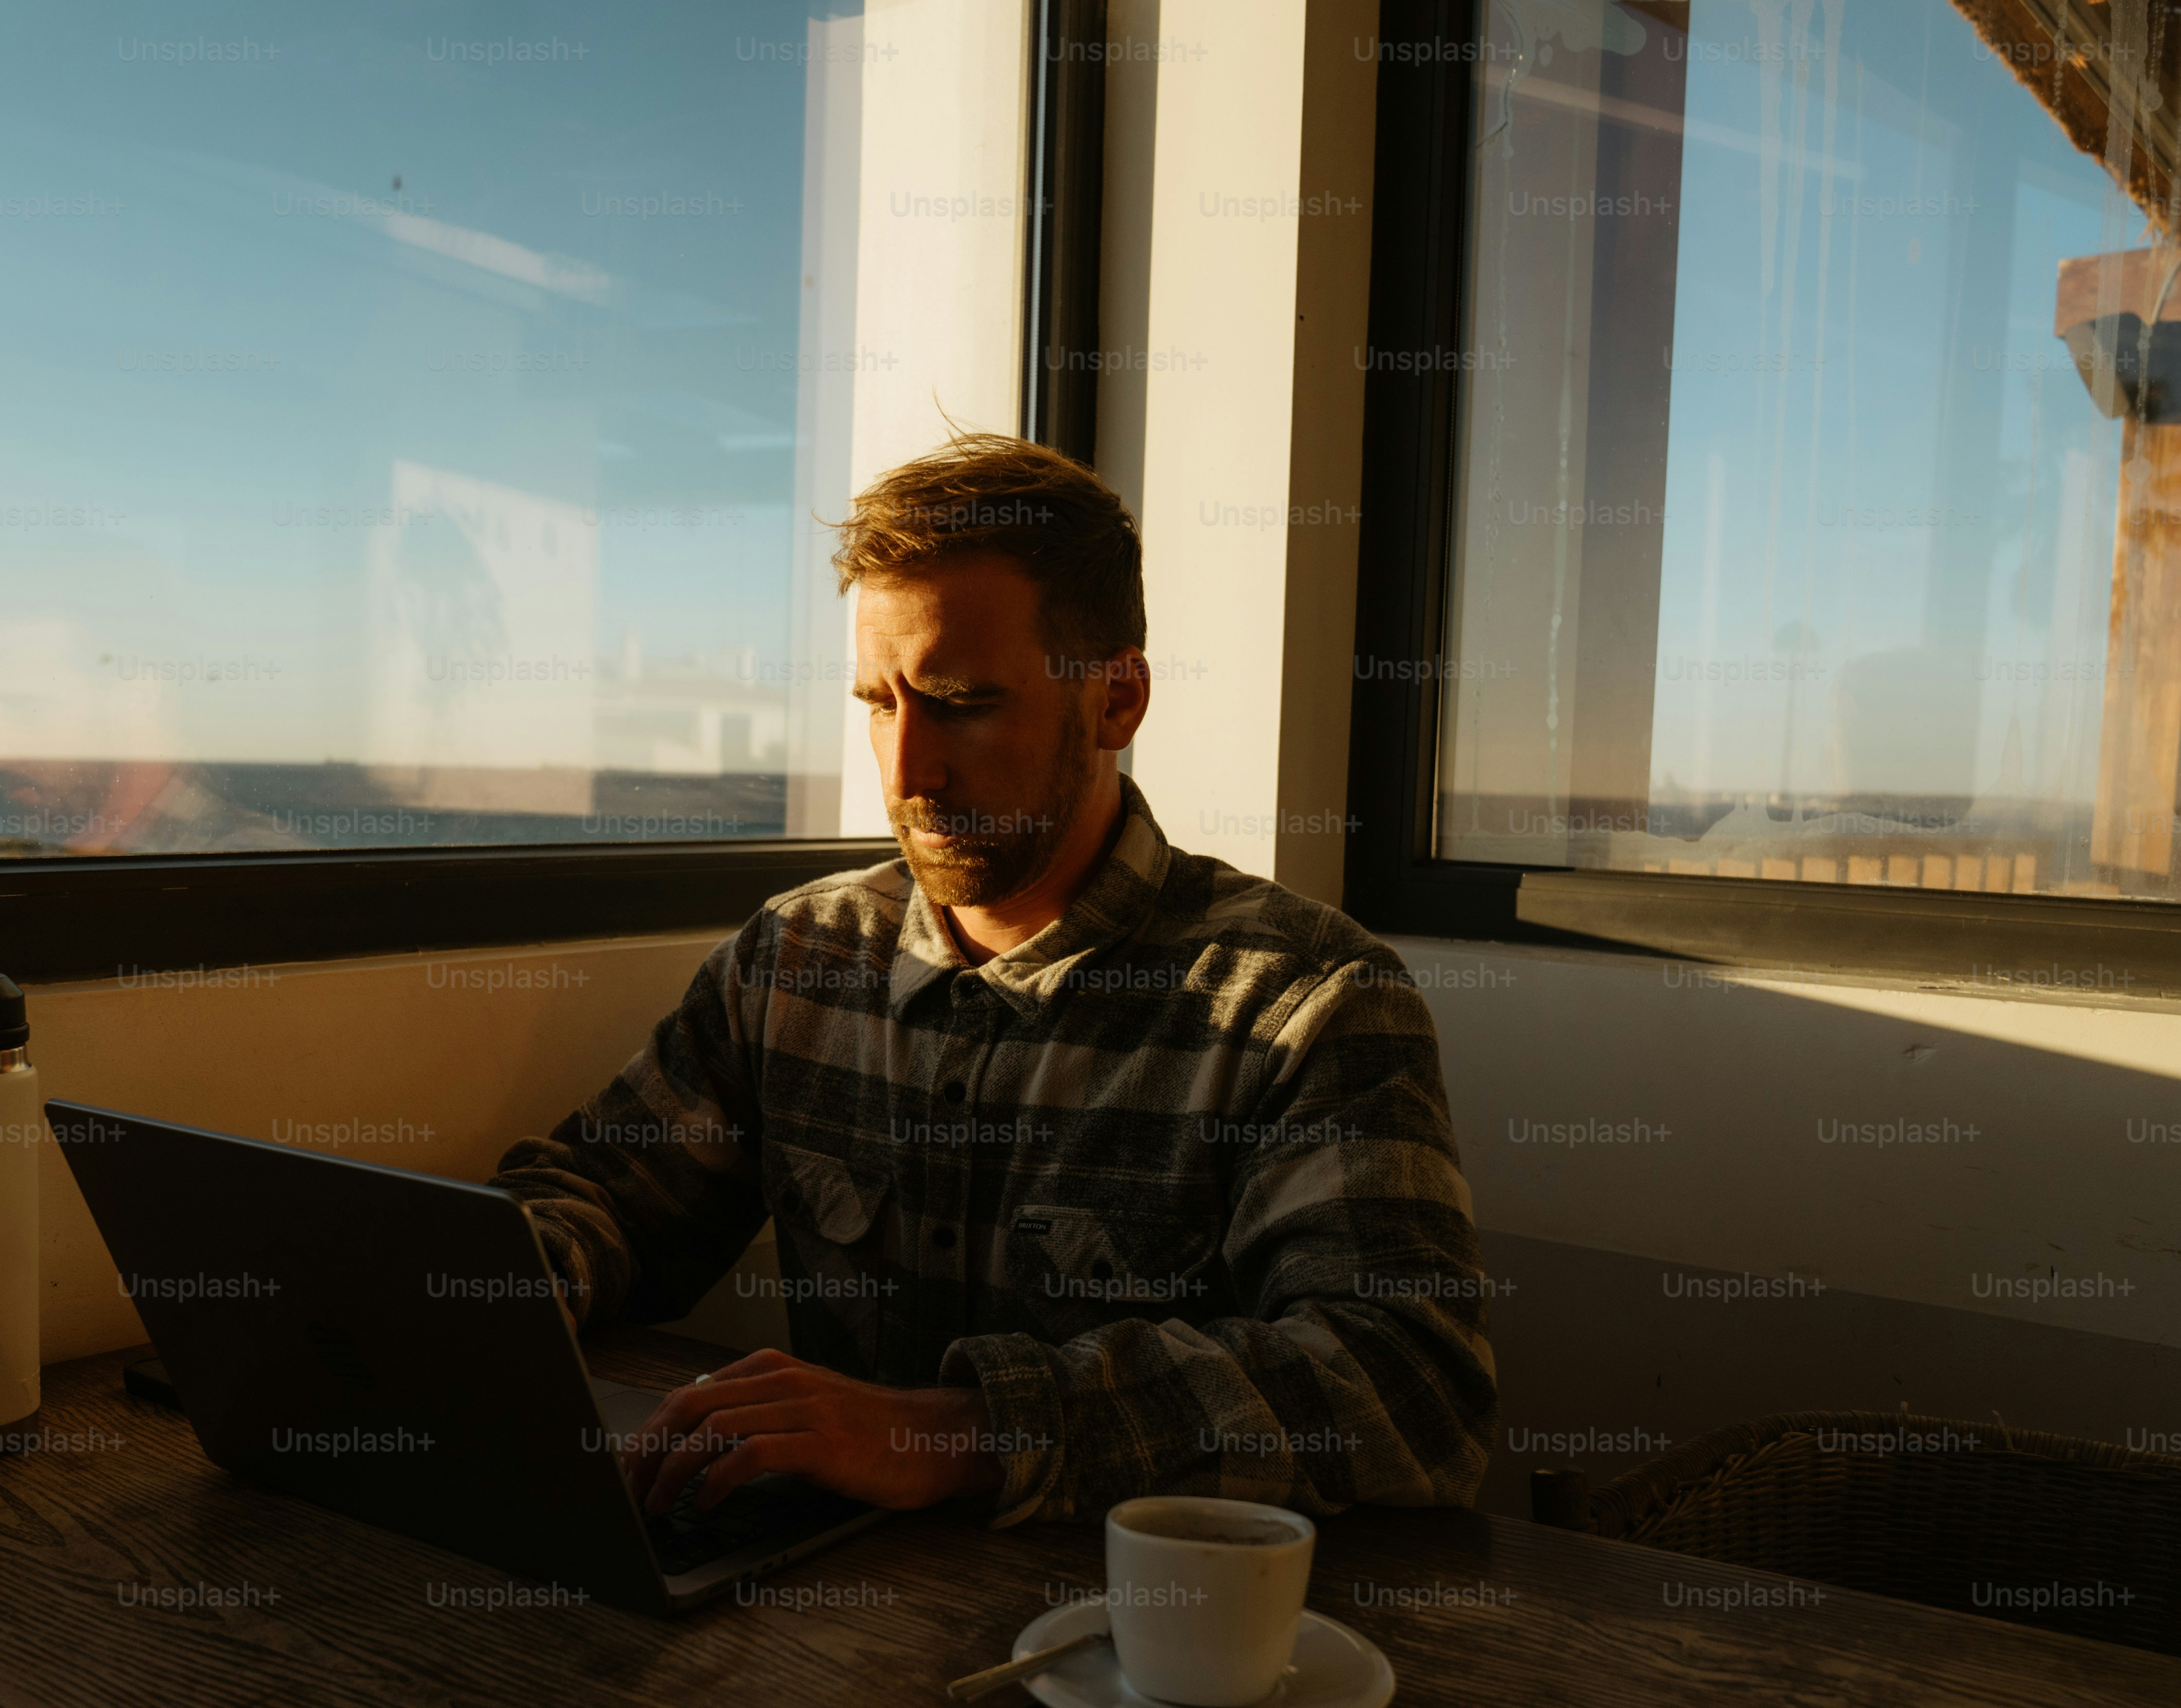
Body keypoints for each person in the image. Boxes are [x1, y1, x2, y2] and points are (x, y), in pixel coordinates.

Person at [494, 432, 1495, 1526]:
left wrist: (955, 1434)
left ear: (1117, 701)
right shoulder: (798, 958)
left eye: (963, 702)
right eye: (881, 702)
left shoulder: (1304, 1002)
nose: (907, 770)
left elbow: (1408, 1392)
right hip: (816, 1623)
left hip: (1145, 1656)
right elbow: (606, 1196)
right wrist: (483, 1289)